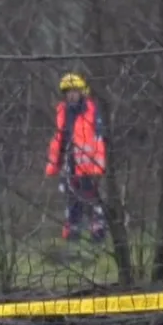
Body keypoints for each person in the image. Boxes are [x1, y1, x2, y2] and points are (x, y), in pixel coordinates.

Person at [45, 72, 108, 242]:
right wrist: (54, 164)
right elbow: (60, 140)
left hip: (90, 167)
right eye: (68, 92)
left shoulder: (92, 112)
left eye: (74, 91)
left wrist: (98, 168)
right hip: (70, 165)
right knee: (72, 202)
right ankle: (72, 238)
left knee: (94, 203)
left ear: (81, 91)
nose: (71, 95)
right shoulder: (62, 113)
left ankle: (98, 237)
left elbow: (99, 140)